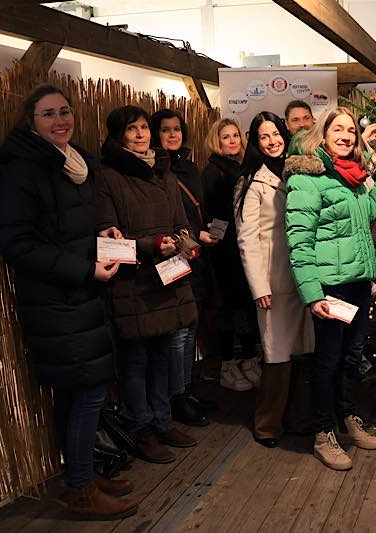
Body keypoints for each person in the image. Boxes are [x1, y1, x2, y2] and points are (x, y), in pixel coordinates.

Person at [0, 85, 138, 520]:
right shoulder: (24, 171)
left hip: (80, 298)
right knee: (87, 393)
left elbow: (65, 232)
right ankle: (79, 491)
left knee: (77, 395)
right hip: (56, 301)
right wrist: (83, 269)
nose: (60, 120)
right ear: (30, 121)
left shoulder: (72, 164)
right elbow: (17, 244)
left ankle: (82, 476)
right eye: (48, 114)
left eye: (64, 111)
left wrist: (102, 239)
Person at [285, 106, 376, 470]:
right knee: (327, 362)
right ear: (322, 134)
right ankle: (323, 433)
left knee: (352, 358)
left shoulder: (348, 176)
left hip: (356, 283)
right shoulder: (307, 178)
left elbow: (366, 214)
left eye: (351, 131)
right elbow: (299, 241)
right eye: (338, 129)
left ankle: (347, 417)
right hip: (329, 289)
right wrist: (313, 295)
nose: (346, 136)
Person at [97, 105, 198, 463]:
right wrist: (149, 245)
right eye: (131, 129)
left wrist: (185, 243)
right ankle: (140, 427)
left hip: (166, 277)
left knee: (161, 356)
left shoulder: (164, 173)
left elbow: (180, 223)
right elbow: (106, 241)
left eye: (143, 127)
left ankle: (162, 419)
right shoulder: (107, 177)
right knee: (137, 359)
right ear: (117, 135)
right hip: (133, 283)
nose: (140, 134)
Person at [234, 111, 314, 448]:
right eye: (264, 137)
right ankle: (267, 425)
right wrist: (259, 287)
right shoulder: (251, 182)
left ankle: (298, 418)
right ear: (255, 142)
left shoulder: (297, 171)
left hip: (303, 276)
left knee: (303, 351)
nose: (272, 142)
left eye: (276, 134)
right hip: (273, 279)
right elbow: (246, 238)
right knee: (276, 354)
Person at [150, 109, 218, 427]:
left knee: (191, 327)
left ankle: (188, 388)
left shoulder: (189, 168)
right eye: (166, 130)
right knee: (177, 334)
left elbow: (196, 209)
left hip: (196, 256)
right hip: (172, 258)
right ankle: (176, 395)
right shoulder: (154, 170)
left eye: (177, 129)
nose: (173, 135)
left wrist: (201, 231)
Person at [200, 118, 260, 391]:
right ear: (217, 140)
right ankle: (227, 365)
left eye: (236, 135)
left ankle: (247, 360)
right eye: (226, 136)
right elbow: (213, 213)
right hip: (225, 251)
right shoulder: (213, 171)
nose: (233, 140)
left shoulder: (243, 167)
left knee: (246, 304)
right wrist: (221, 243)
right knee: (228, 307)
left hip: (244, 245)